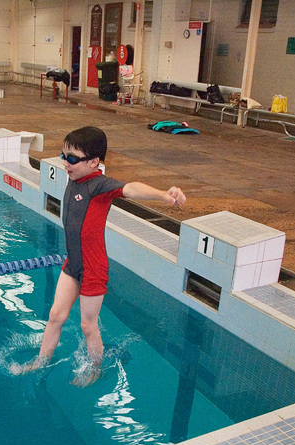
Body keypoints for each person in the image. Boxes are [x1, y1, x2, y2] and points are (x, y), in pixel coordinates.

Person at [10, 126, 186, 386]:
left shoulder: (99, 185)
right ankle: (40, 361)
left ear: (94, 162)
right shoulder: (75, 177)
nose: (65, 163)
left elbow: (131, 189)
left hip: (93, 268)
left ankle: (95, 367)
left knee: (88, 326)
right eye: (63, 155)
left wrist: (163, 195)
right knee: (55, 316)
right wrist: (70, 160)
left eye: (72, 158)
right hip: (73, 264)